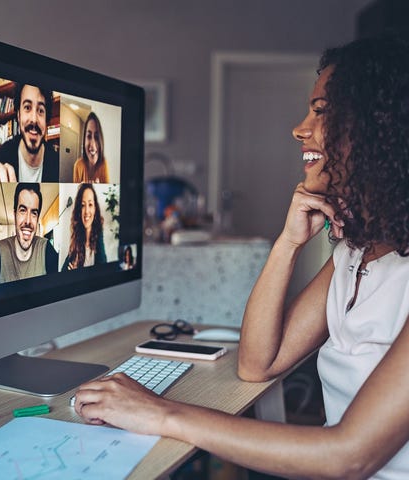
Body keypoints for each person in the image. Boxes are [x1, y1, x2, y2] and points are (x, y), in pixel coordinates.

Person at [73, 35, 409, 480]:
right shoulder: (358, 251)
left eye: (322, 111)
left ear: (378, 129)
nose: (300, 128)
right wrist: (288, 243)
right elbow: (258, 364)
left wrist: (161, 413)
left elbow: (348, 457)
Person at [0, 183, 58, 284]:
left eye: (34, 213)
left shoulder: (45, 248)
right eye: (22, 210)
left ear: (37, 219)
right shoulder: (0, 250)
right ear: (15, 215)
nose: (28, 221)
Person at [0, 83, 59, 182]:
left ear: (46, 120)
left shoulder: (56, 162)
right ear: (18, 115)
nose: (34, 119)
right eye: (27, 107)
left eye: (40, 110)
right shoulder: (5, 153)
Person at [62, 183, 107, 270]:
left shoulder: (99, 236)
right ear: (79, 210)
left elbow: (103, 271)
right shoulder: (76, 240)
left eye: (90, 205)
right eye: (83, 205)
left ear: (95, 208)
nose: (86, 211)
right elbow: (63, 271)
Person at [73, 112, 109, 183]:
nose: (92, 145)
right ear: (84, 140)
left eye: (96, 137)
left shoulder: (104, 164)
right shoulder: (78, 165)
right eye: (89, 136)